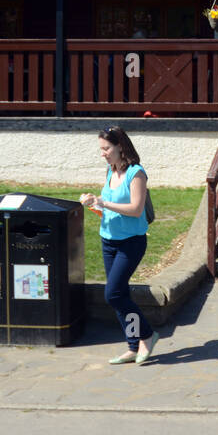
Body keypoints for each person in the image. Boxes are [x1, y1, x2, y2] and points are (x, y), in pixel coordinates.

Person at [81, 126, 159, 365]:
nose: (102, 153)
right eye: (101, 149)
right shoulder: (110, 171)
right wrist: (93, 203)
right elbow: (108, 209)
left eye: (106, 148)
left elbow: (136, 210)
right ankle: (134, 346)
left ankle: (148, 334)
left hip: (131, 243)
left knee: (113, 294)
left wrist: (103, 202)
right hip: (108, 240)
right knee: (120, 294)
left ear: (120, 147)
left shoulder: (137, 174)